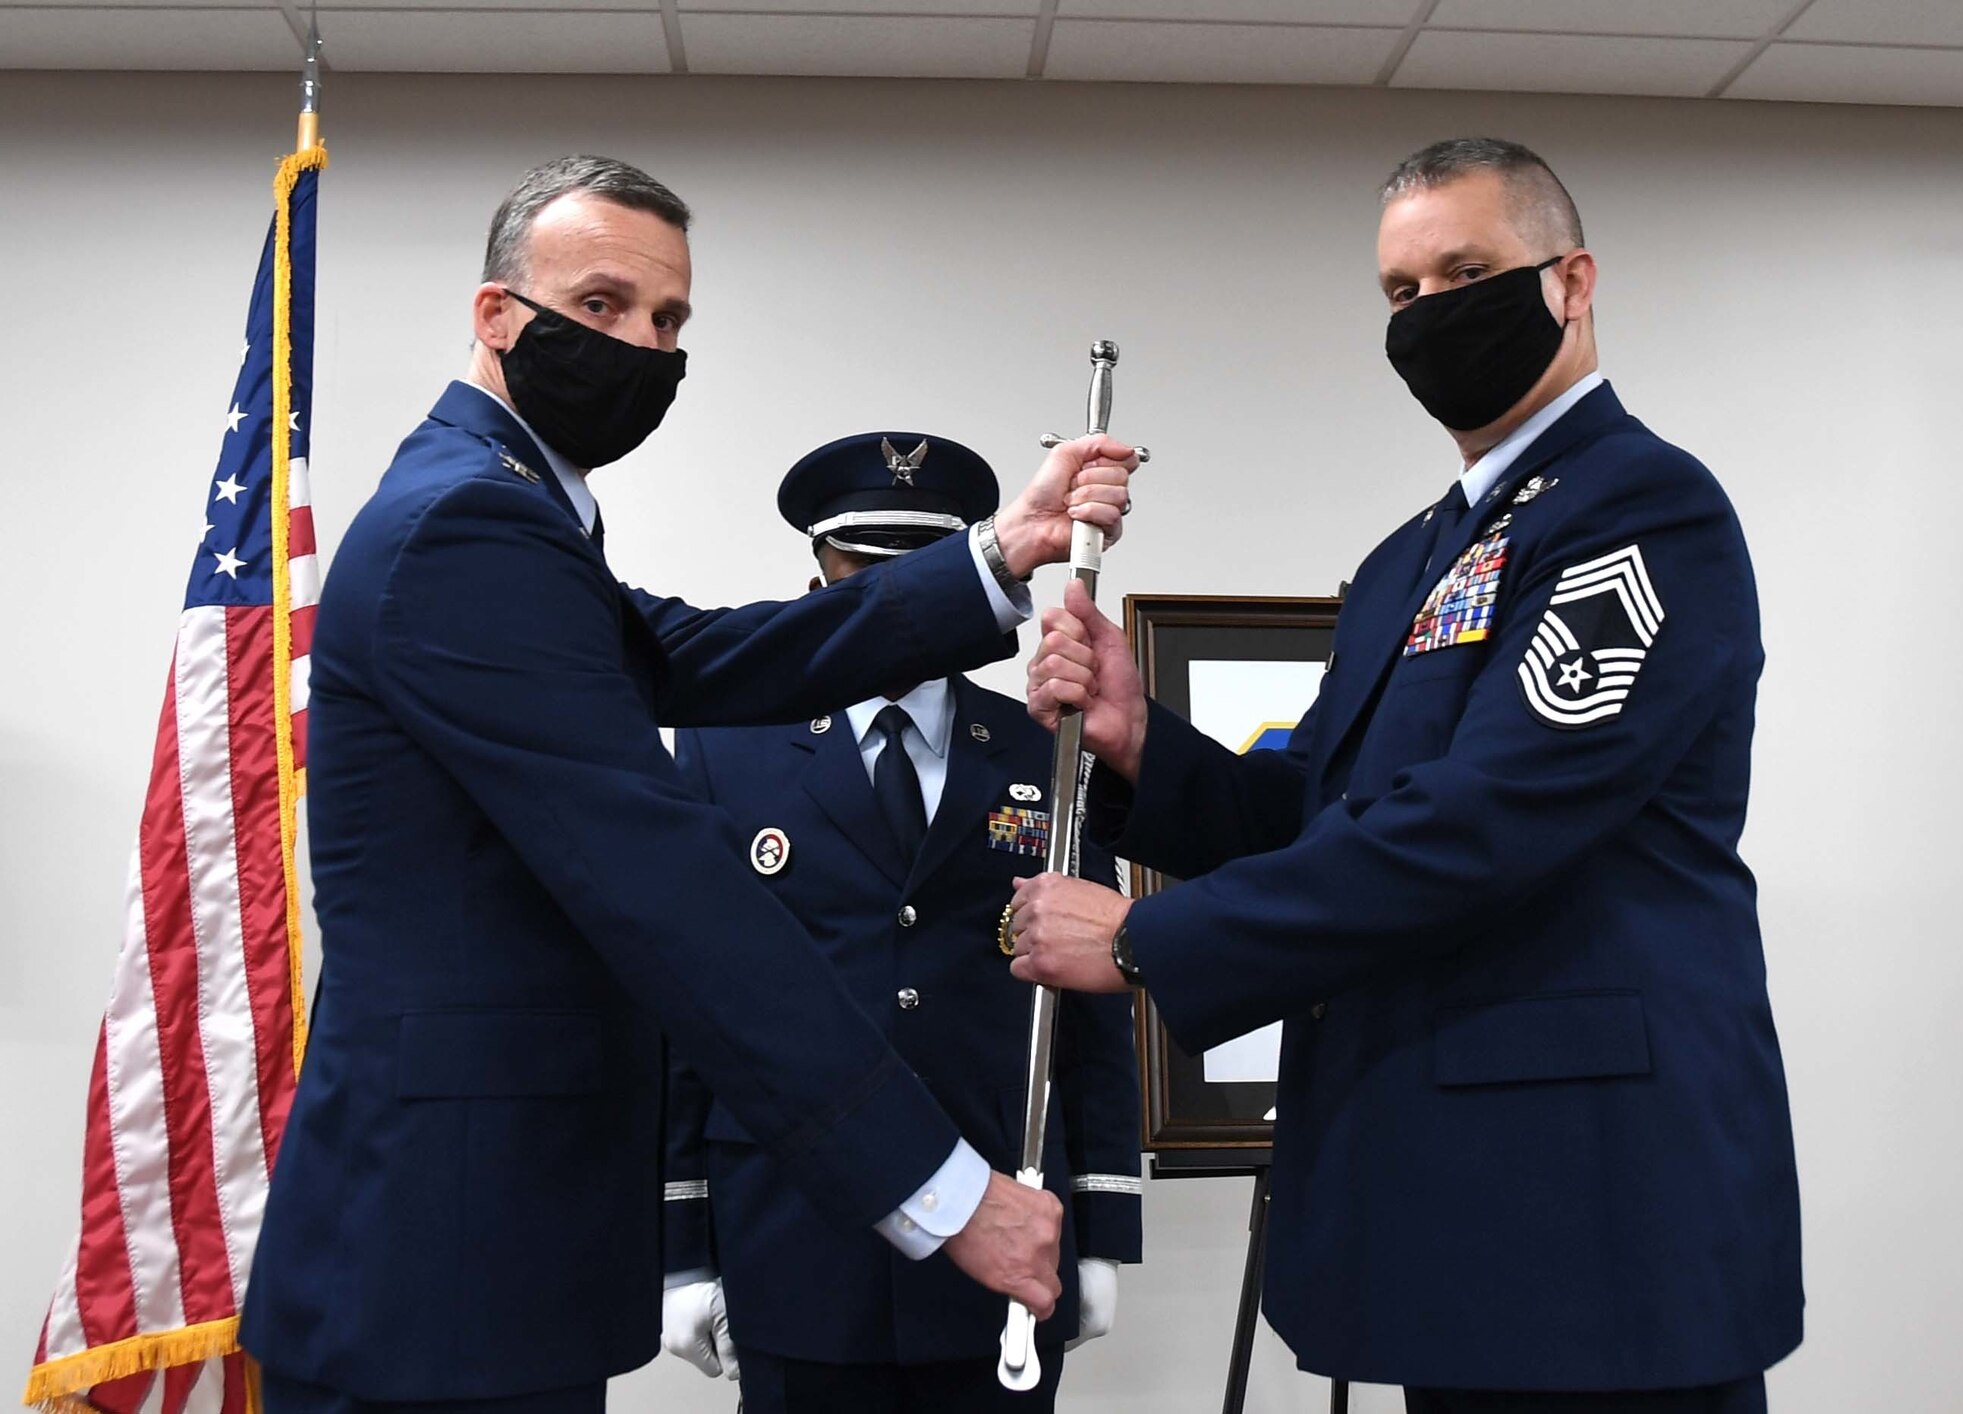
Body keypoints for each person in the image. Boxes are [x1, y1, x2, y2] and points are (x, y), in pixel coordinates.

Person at [236, 154, 1141, 1414]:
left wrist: (996, 557)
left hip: (477, 1247)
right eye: (601, 305)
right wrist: (941, 1191)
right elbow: (672, 895)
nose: (642, 345)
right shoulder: (468, 526)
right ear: (496, 315)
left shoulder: (510, 512)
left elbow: (704, 650)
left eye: (668, 320)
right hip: (443, 1251)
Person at [1005, 137, 1801, 1413]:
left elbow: (1484, 821)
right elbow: (1320, 804)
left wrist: (1153, 941)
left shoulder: (1643, 509)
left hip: (1593, 1217)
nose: (1431, 316)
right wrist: (1136, 730)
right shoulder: (1411, 558)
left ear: (1570, 280)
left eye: (1467, 271)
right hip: (1452, 1204)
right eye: (1400, 293)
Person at [659, 431, 1143, 1412]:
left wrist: (1104, 1223)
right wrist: (680, 1246)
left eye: (915, 571)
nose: (884, 596)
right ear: (817, 565)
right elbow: (683, 1005)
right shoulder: (726, 750)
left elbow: (1086, 1003)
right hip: (795, 1234)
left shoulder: (1039, 750)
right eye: (859, 568)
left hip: (1007, 1232)